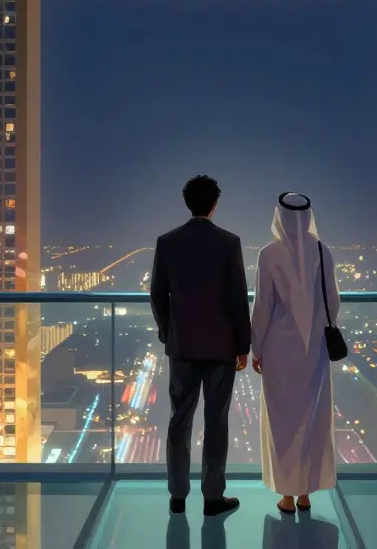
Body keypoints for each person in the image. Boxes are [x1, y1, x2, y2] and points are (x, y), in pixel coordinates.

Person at [149, 175, 250, 517]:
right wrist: (243, 345)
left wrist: (168, 332)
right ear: (214, 204)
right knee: (216, 421)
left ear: (187, 202)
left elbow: (157, 295)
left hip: (182, 348)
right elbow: (238, 298)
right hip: (221, 348)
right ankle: (212, 498)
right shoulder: (229, 242)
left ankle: (177, 496)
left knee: (180, 419)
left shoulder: (167, 242)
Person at [251, 192, 339, 513]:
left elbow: (262, 308)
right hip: (315, 351)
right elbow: (334, 302)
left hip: (278, 351)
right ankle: (306, 494)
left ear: (279, 216)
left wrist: (257, 348)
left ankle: (287, 496)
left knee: (282, 423)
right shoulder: (322, 251)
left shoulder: (269, 254)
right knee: (311, 420)